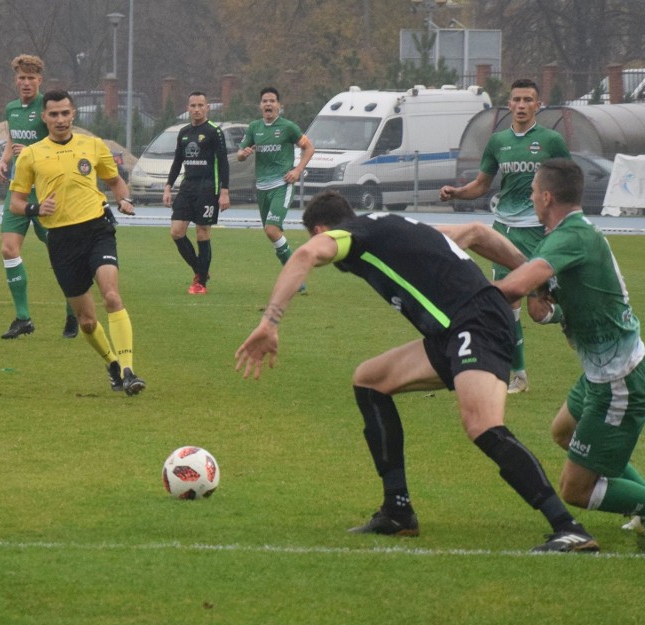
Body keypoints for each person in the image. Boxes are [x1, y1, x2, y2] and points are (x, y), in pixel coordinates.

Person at [235, 189, 600, 553]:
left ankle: (568, 527)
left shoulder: (354, 235)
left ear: (321, 229)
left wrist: (270, 322)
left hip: (477, 322)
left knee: (482, 425)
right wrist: (537, 279)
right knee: (369, 380)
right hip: (452, 331)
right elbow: (476, 232)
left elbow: (306, 254)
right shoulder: (394, 225)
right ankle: (397, 511)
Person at [469, 158, 645, 540]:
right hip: (601, 375)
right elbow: (567, 300)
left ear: (546, 197)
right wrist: (548, 311)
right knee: (563, 432)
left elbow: (513, 286)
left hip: (620, 381)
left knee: (575, 490)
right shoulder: (566, 235)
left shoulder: (571, 237)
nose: (530, 197)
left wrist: (461, 295)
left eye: (532, 192)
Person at [9, 90, 145, 396]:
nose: (60, 120)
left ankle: (129, 370)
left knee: (111, 295)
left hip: (97, 230)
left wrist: (124, 199)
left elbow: (114, 181)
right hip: (61, 240)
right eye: (53, 114)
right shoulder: (31, 154)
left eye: (65, 113)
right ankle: (112, 365)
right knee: (86, 321)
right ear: (44, 117)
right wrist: (35, 209)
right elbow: (16, 202)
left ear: (74, 115)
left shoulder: (93, 145)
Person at [439, 79, 570, 394]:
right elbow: (483, 185)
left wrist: (563, 222)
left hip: (538, 233)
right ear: (509, 105)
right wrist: (457, 192)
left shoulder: (551, 141)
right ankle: (518, 375)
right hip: (504, 231)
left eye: (528, 100)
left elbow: (569, 182)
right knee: (505, 304)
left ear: (538, 105)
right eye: (517, 99)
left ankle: (568, 315)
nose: (522, 105)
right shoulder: (498, 142)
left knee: (539, 312)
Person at [0, 54, 78, 339]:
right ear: (16, 80)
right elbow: (12, 139)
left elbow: (60, 140)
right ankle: (23, 317)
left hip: (45, 191)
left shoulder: (48, 108)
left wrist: (30, 152)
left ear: (40, 80)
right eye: (21, 78)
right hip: (18, 190)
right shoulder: (12, 109)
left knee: (62, 254)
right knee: (8, 248)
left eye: (31, 78)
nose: (26, 83)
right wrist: (5, 159)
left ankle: (72, 311)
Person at [237, 86, 315, 287]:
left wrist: (297, 170)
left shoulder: (288, 127)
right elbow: (239, 154)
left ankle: (295, 276)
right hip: (262, 188)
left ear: (279, 105)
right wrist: (243, 154)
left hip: (282, 184)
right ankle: (296, 277)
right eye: (265, 101)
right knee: (272, 233)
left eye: (272, 101)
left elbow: (309, 147)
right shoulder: (254, 128)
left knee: (272, 229)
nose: (268, 104)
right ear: (260, 105)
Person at [163, 91, 230, 295]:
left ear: (207, 107)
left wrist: (225, 191)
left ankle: (200, 283)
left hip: (208, 187)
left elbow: (224, 163)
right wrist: (168, 186)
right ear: (188, 108)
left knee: (202, 232)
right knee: (176, 231)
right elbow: (177, 161)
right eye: (193, 106)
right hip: (188, 186)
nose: (197, 109)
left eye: (201, 105)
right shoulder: (183, 132)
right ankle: (201, 270)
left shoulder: (214, 132)